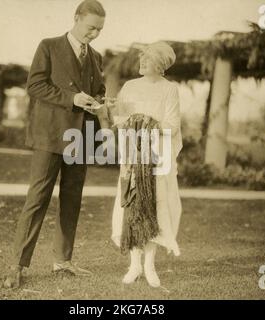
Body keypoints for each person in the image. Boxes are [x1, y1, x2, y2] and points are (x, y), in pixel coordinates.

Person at [4, 0, 106, 288]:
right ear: (76, 18)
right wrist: (71, 98)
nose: (94, 34)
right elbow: (35, 85)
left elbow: (99, 89)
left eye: (99, 30)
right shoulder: (48, 45)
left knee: (72, 199)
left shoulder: (97, 57)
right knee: (37, 199)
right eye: (90, 28)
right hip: (50, 135)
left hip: (81, 138)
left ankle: (63, 262)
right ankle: (18, 266)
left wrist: (99, 101)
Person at [111, 41, 182, 287]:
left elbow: (172, 126)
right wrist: (128, 121)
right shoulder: (129, 87)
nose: (142, 62)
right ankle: (134, 266)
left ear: (161, 64)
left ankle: (150, 266)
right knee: (132, 206)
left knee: (153, 208)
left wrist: (146, 122)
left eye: (148, 59)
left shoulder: (169, 90)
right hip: (132, 156)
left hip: (156, 158)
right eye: (142, 58)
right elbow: (119, 119)